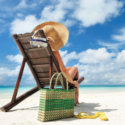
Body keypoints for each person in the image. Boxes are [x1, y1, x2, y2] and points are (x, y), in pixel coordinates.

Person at [32, 21, 81, 104]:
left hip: (45, 77)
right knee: (75, 68)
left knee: (69, 67)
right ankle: (76, 97)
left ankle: (75, 96)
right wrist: (73, 83)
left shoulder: (34, 50)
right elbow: (63, 71)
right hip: (58, 78)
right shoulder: (54, 51)